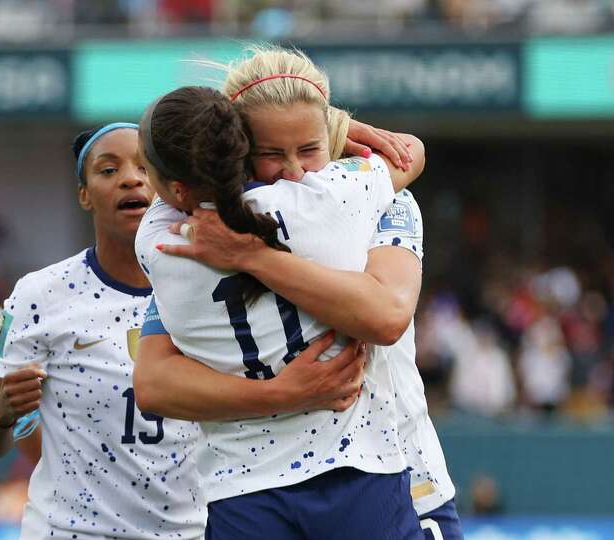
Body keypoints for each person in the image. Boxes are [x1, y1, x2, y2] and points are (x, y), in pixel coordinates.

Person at [0, 122, 367, 540]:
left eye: (144, 166)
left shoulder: (219, 280)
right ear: (84, 194)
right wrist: (1, 414)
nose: (129, 178)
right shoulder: (40, 294)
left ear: (169, 185)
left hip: (195, 532)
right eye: (108, 170)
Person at [143, 45, 462, 540]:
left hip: (406, 472)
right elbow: (155, 382)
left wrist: (252, 256)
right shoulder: (352, 196)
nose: (294, 171)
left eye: (309, 149)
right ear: (236, 153)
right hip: (354, 477)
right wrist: (279, 393)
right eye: (271, 154)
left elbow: (386, 315)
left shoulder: (181, 234)